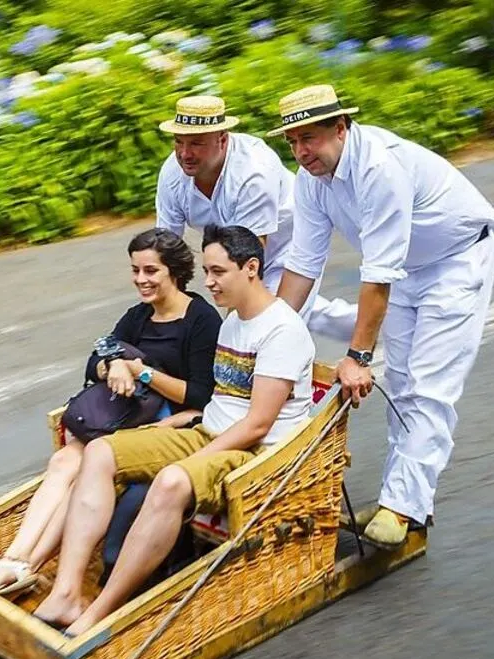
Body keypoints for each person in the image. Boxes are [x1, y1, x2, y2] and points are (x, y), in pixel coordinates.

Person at [33, 225, 316, 636]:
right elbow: (220, 396)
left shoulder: (282, 330)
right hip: (208, 431)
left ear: (251, 268)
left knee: (170, 481)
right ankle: (67, 593)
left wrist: (197, 456)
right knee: (100, 452)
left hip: (257, 455)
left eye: (218, 272)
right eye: (207, 270)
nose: (209, 282)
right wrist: (189, 418)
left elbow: (257, 423)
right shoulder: (235, 321)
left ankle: (100, 613)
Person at [266, 84, 494, 548]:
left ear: (340, 127)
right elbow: (302, 265)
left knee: (430, 386)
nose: (300, 151)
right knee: (403, 384)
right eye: (291, 142)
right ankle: (404, 499)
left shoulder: (378, 167)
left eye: (308, 138)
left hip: (456, 262)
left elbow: (377, 277)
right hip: (410, 269)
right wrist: (268, 327)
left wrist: (357, 356)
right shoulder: (310, 179)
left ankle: (402, 506)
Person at [0, 228, 223, 596]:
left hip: (167, 424)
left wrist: (139, 370)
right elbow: (95, 360)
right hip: (124, 416)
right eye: (135, 270)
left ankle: (28, 565)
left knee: (83, 474)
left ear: (174, 271)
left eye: (150, 271)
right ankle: (14, 561)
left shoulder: (200, 320)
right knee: (63, 463)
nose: (141, 279)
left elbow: (202, 395)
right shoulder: (138, 317)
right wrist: (115, 367)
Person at [153, 93, 359, 341]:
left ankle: (368, 332)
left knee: (266, 330)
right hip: (231, 248)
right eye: (179, 142)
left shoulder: (254, 171)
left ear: (222, 139)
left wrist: (225, 342)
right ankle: (372, 324)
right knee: (293, 310)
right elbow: (166, 251)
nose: (185, 154)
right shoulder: (172, 172)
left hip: (288, 243)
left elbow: (247, 263)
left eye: (196, 143)